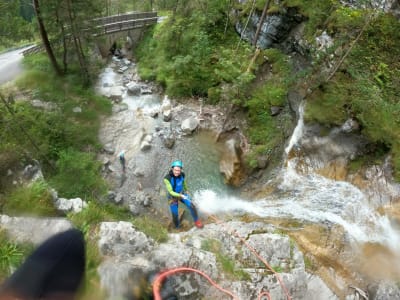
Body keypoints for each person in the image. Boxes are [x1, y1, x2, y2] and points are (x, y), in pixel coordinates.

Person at [163, 160, 203, 229]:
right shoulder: (167, 178)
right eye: (175, 170)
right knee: (175, 215)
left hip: (182, 193)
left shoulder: (182, 175)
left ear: (181, 170)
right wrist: (181, 196)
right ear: (172, 169)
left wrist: (186, 190)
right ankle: (177, 227)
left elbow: (183, 183)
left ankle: (197, 221)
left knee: (192, 206)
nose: (177, 172)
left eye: (178, 170)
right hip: (172, 197)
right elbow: (170, 191)